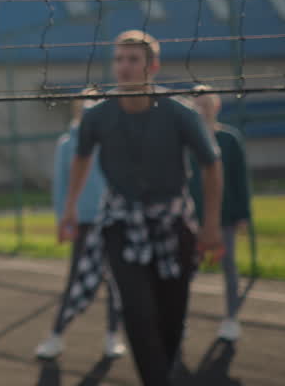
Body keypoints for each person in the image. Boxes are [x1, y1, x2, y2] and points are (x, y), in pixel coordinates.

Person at [57, 30, 224, 386]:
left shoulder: (180, 113)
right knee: (136, 310)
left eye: (132, 59)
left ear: (153, 66)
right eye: (118, 59)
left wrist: (211, 225)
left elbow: (212, 164)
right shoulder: (97, 116)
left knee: (172, 314)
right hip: (121, 222)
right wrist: (70, 208)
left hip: (174, 221)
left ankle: (164, 370)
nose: (124, 67)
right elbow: (81, 160)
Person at [36, 88, 126, 360]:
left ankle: (112, 336)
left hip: (110, 220)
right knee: (75, 280)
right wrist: (64, 217)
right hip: (83, 223)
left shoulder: (111, 139)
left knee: (116, 284)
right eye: (84, 107)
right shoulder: (67, 144)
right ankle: (56, 336)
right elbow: (61, 186)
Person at [188, 85, 253, 342]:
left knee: (228, 267)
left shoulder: (229, 139)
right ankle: (180, 320)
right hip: (191, 219)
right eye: (197, 105)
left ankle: (230, 318)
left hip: (224, 219)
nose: (202, 110)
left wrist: (242, 214)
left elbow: (240, 180)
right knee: (185, 272)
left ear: (216, 107)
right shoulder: (187, 141)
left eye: (206, 105)